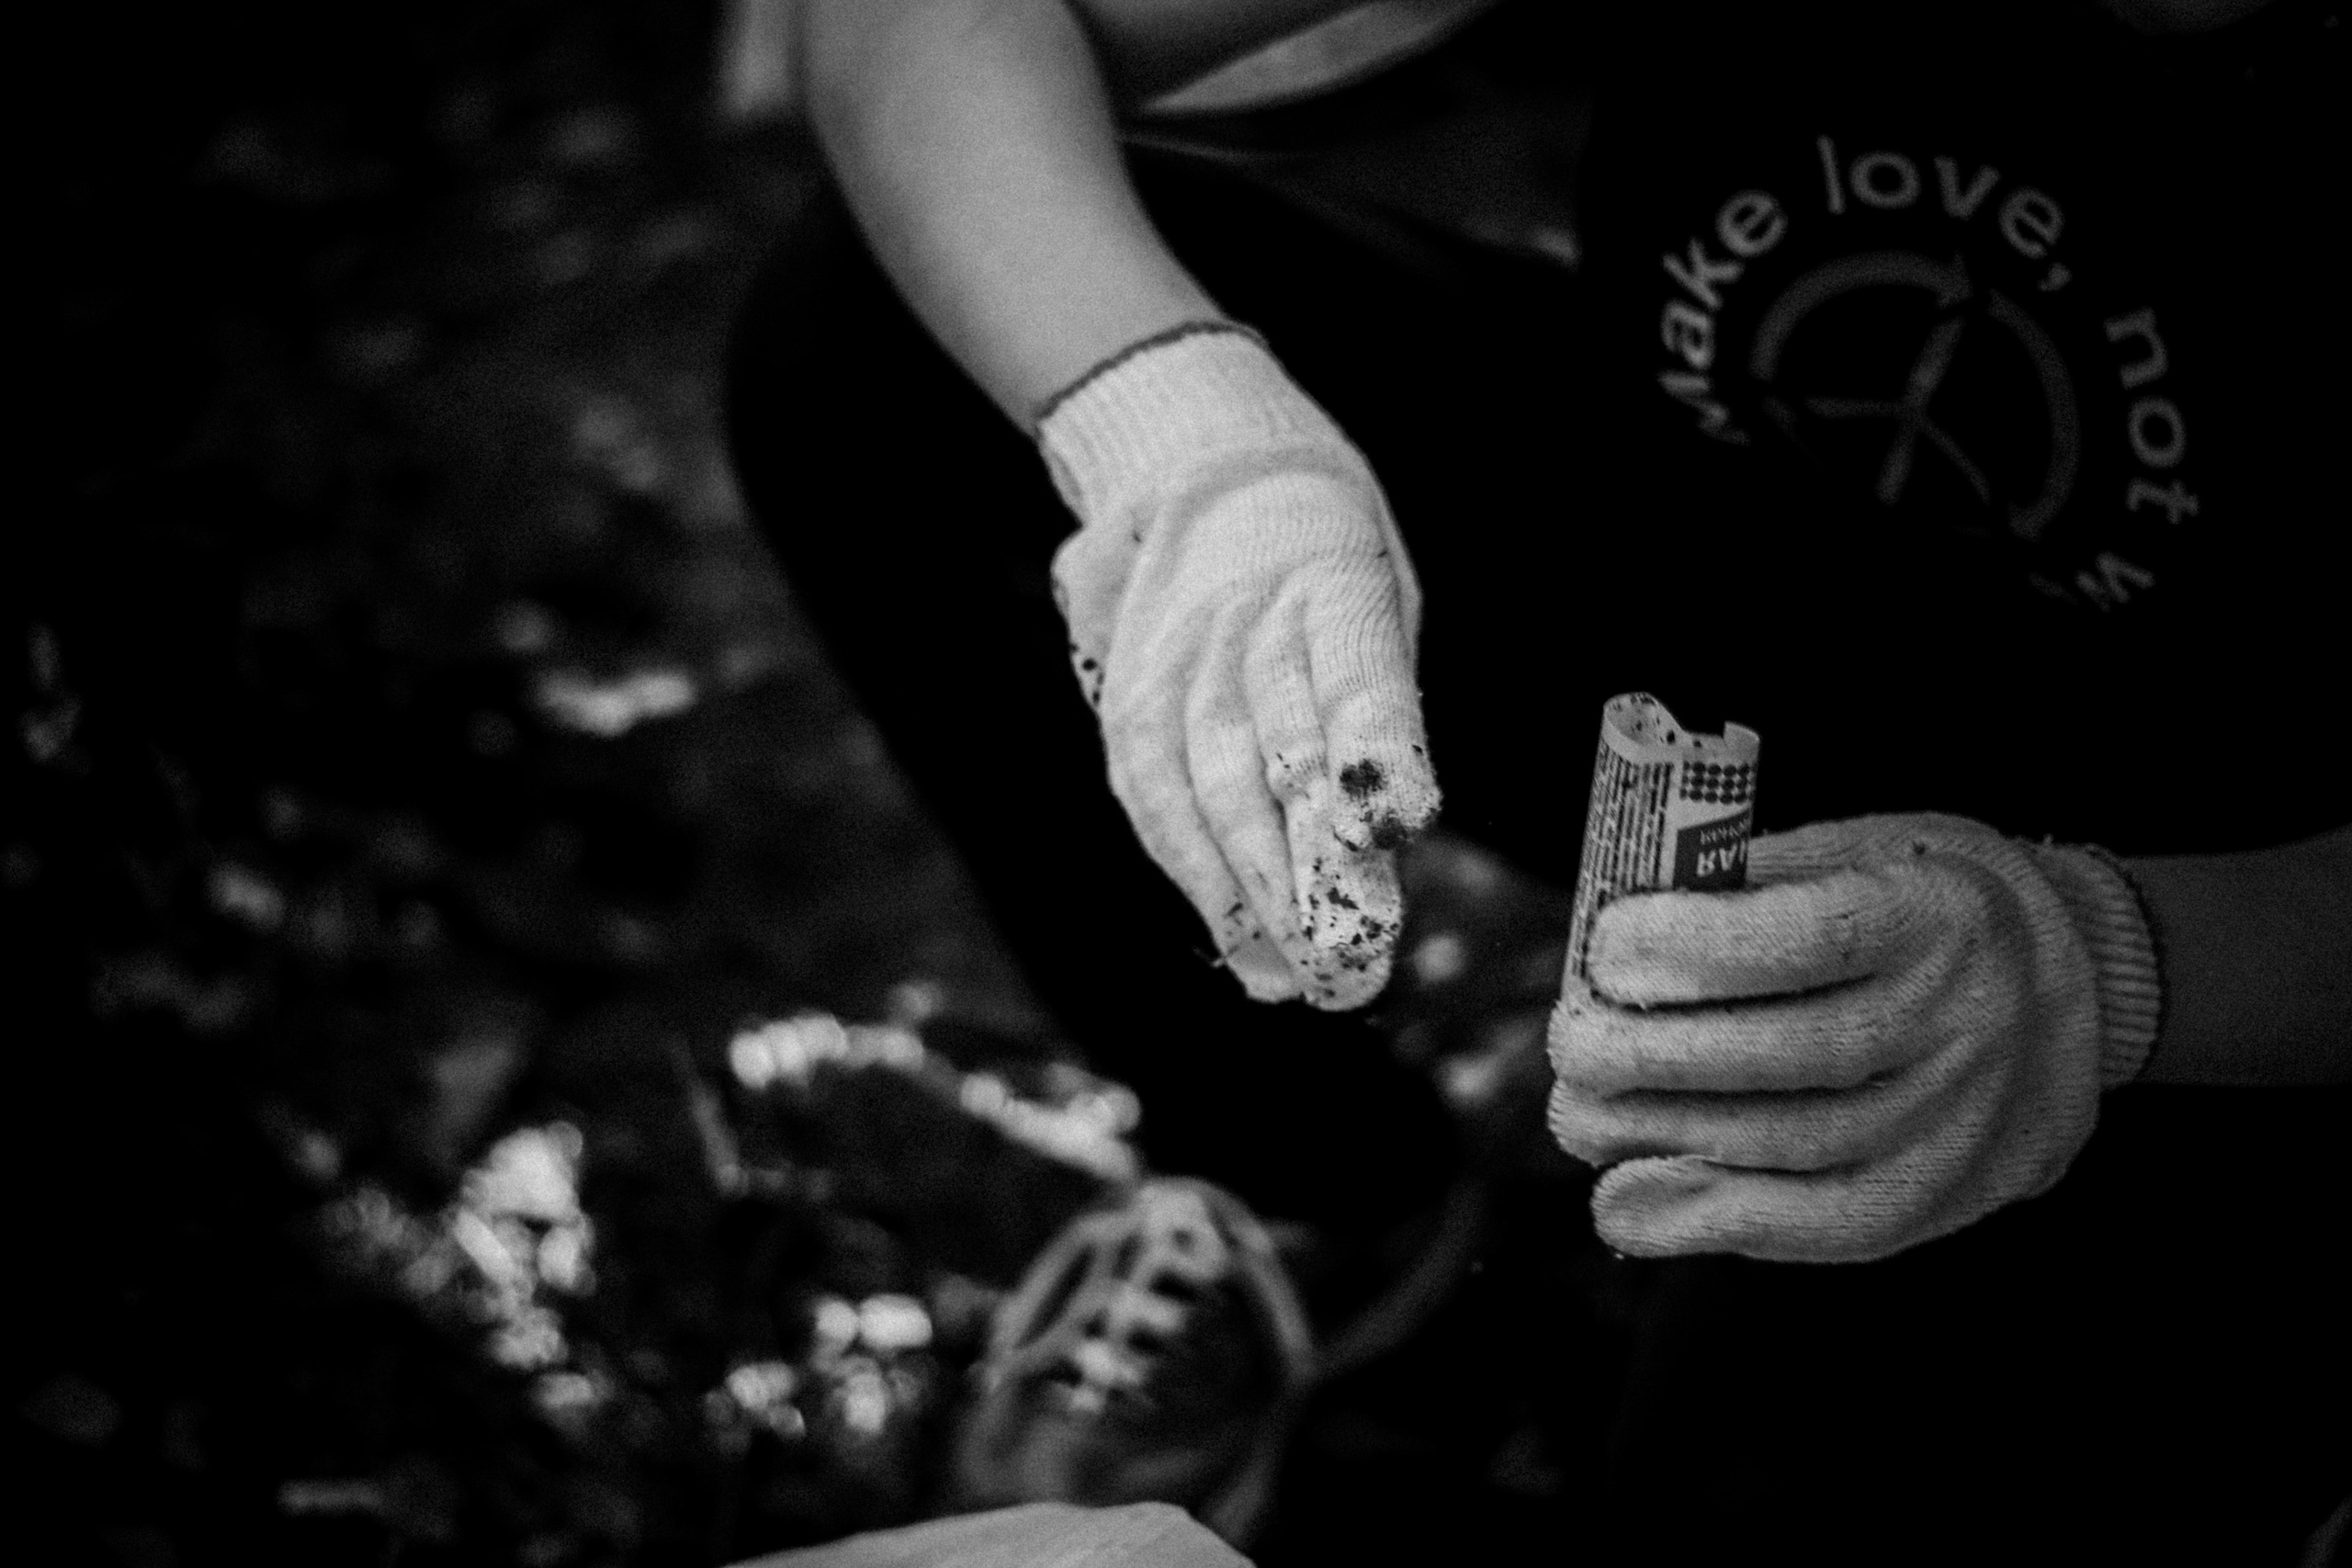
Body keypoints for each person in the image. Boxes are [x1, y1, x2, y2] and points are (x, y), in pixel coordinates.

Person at [726, 0, 2350, 1559]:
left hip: (2245, 870)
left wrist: (2109, 971)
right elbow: (903, 18)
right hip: (1720, 543)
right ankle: (1320, 1184)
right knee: (861, 339)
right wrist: (1186, 438)